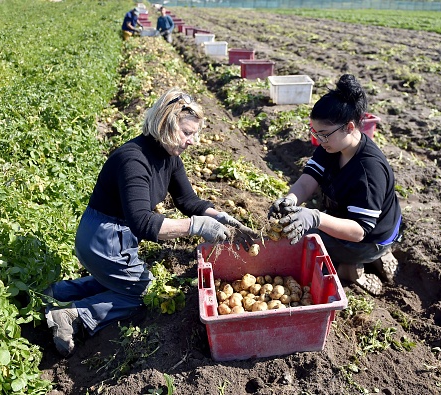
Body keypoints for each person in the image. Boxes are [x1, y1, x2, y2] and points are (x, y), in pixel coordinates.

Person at [45, 87, 258, 357]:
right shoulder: (133, 159)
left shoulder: (169, 157)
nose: (192, 141)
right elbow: (142, 223)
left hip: (115, 237)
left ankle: (58, 291)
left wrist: (221, 217)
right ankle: (75, 316)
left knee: (120, 282)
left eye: (195, 133)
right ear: (166, 125)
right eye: (187, 133)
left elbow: (187, 201)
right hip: (102, 238)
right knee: (143, 294)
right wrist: (197, 227)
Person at [269, 74, 402, 296]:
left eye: (323, 134)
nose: (319, 141)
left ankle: (354, 268)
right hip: (348, 219)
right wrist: (290, 199)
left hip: (368, 239)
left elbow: (359, 230)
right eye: (315, 133)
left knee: (303, 235)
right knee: (295, 223)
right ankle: (358, 258)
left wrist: (316, 218)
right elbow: (309, 178)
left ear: (349, 127)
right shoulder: (333, 146)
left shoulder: (368, 171)